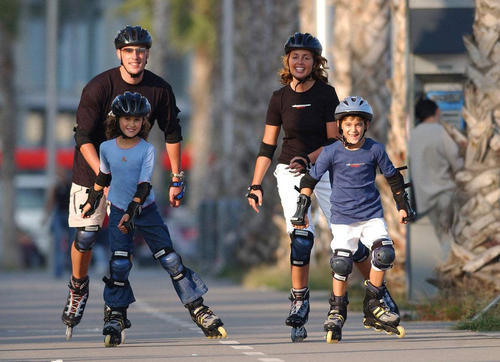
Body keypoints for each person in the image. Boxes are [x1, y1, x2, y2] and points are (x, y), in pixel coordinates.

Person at [246, 32, 397, 343]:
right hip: (290, 172)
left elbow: (333, 141)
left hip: (327, 170)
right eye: (295, 56)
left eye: (307, 57)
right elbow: (267, 146)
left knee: (351, 240)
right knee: (301, 238)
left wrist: (309, 158)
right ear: (287, 60)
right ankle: (299, 302)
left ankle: (378, 298)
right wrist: (255, 184)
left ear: (315, 62)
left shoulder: (327, 94)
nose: (300, 62)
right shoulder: (279, 98)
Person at [62, 25, 184, 339]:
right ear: (119, 53)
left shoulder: (160, 90)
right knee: (87, 235)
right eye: (129, 51)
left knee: (122, 243)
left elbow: (172, 134)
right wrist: (104, 173)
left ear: (147, 54)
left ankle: (115, 307)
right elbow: (83, 136)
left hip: (133, 180)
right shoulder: (99, 86)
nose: (136, 56)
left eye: (141, 50)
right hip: (92, 173)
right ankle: (78, 287)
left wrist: (176, 177)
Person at [81, 92, 226, 347]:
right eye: (127, 119)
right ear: (117, 120)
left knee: (169, 259)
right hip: (117, 210)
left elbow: (144, 186)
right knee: (119, 263)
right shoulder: (106, 148)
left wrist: (131, 212)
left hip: (145, 210)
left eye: (137, 120)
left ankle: (198, 308)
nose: (131, 124)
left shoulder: (148, 149)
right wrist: (91, 202)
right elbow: (102, 178)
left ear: (144, 123)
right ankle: (116, 312)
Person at [291, 96, 414, 342]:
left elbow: (393, 178)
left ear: (365, 126)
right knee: (341, 263)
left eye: (358, 124)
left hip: (371, 216)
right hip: (343, 219)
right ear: (340, 127)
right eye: (348, 124)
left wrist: (402, 206)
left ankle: (374, 301)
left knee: (384, 254)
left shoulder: (375, 149)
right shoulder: (330, 152)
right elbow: (309, 180)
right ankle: (337, 310)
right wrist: (301, 210)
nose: (353, 129)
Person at [409, 97, 463, 239]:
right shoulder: (440, 131)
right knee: (453, 235)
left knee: (441, 237)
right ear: (437, 112)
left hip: (424, 199)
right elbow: (456, 160)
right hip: (445, 194)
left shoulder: (413, 135)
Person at [44, 167, 74, 278]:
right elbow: (50, 202)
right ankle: (58, 271)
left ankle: (73, 269)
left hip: (70, 215)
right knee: (58, 243)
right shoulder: (55, 187)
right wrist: (46, 217)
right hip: (59, 215)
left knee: (72, 244)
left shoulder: (71, 186)